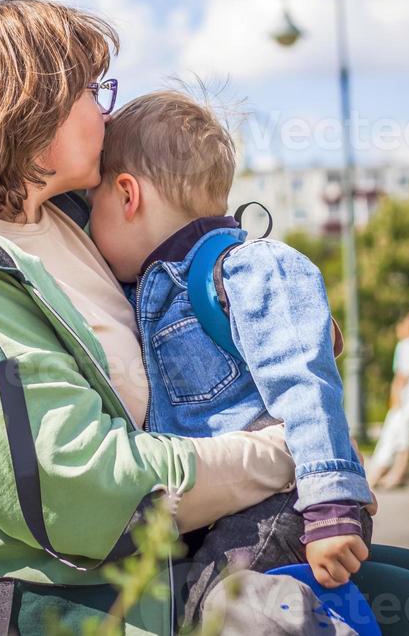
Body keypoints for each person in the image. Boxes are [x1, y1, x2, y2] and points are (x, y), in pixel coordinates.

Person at [0, 0, 409, 635]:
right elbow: (82, 490)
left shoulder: (70, 218)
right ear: (26, 103)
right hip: (29, 609)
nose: (106, 110)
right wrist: (292, 451)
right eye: (90, 91)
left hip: (151, 577)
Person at [87, 90, 372, 603]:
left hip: (285, 506)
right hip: (224, 507)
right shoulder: (149, 291)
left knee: (217, 610)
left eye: (93, 204)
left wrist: (331, 508)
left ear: (128, 195)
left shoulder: (249, 268)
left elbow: (305, 384)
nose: (88, 225)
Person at [370, 310, 409, 489]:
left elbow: (401, 379)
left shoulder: (408, 345)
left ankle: (382, 474)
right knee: (395, 428)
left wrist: (396, 403)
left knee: (395, 427)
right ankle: (388, 473)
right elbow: (401, 379)